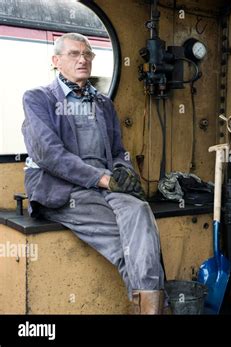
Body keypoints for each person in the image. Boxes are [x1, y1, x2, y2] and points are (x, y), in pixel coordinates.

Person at [22, 33, 166, 314]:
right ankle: (154, 310)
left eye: (88, 54)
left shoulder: (103, 104)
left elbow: (118, 152)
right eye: (75, 54)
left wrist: (124, 173)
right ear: (56, 61)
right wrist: (105, 179)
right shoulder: (38, 98)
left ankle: (149, 310)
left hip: (104, 185)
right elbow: (50, 154)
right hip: (63, 191)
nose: (83, 59)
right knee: (135, 241)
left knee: (139, 211)